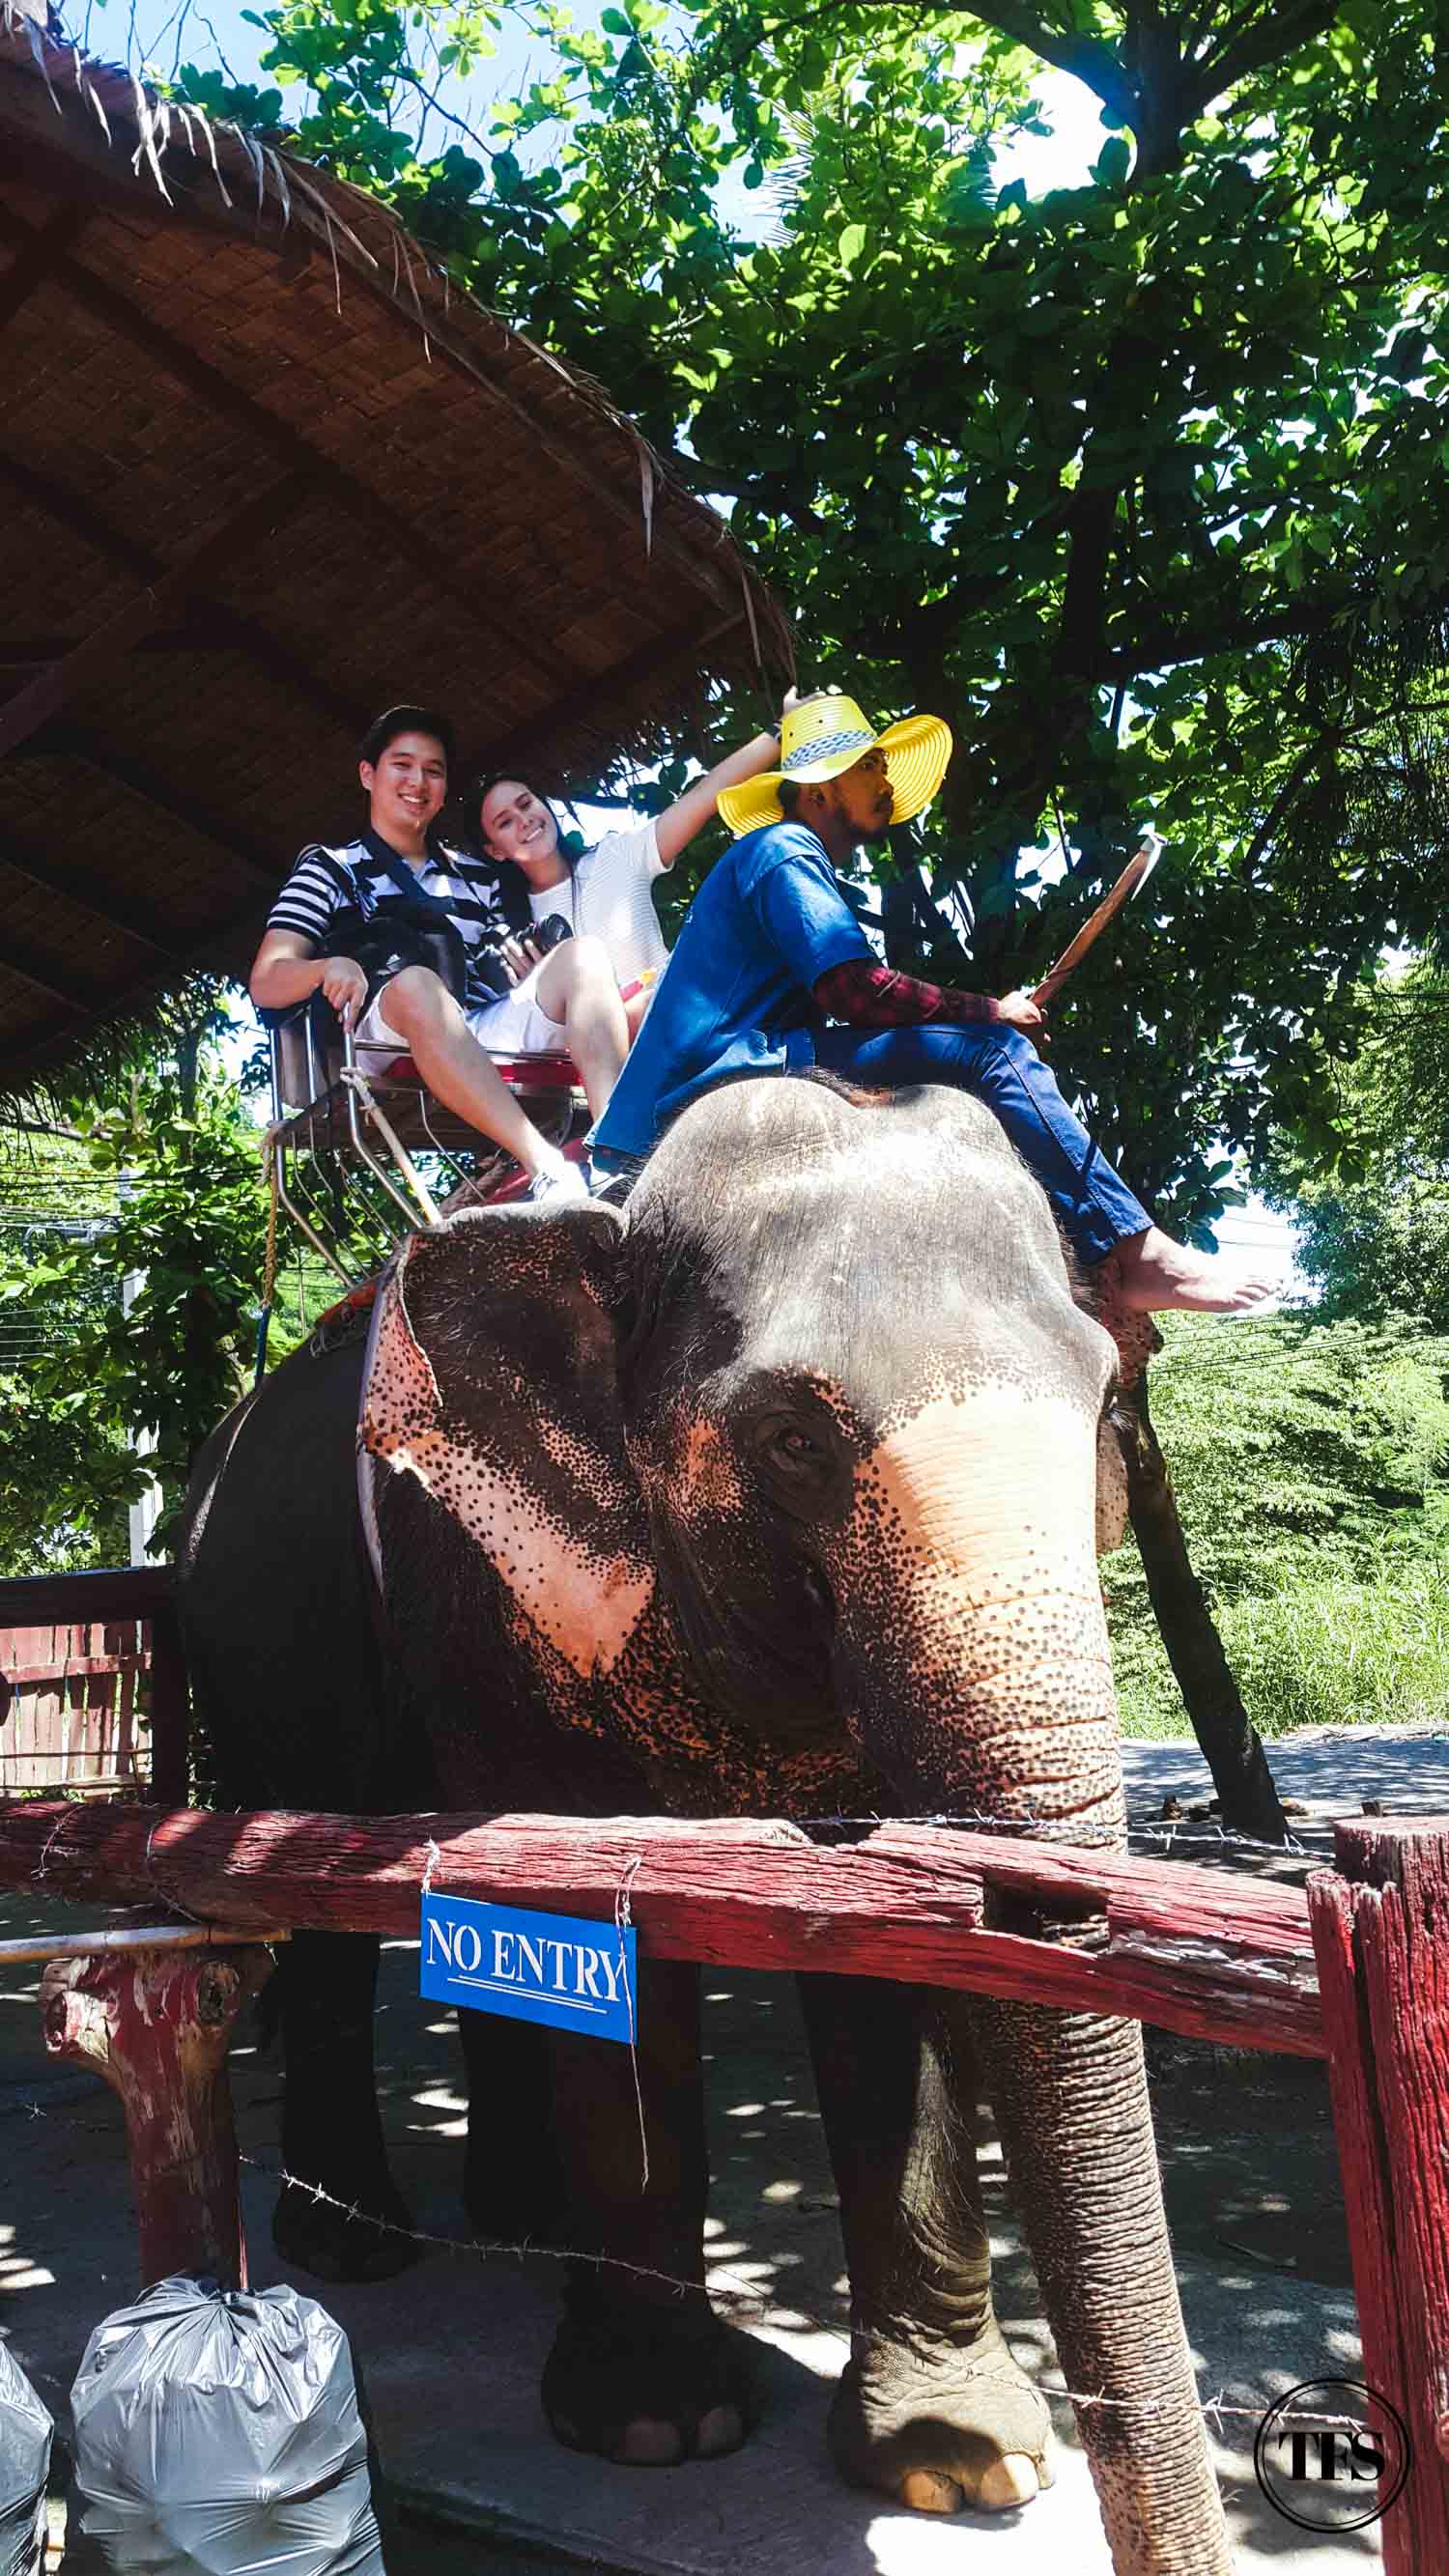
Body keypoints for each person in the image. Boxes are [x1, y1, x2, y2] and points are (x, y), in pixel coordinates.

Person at [592, 689, 1280, 1314]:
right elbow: (853, 991)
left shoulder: (782, 855)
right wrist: (992, 1012)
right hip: (721, 1076)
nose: (887, 782)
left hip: (729, 1073)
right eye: (871, 768)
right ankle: (1134, 1254)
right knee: (994, 1055)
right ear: (824, 787)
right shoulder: (784, 848)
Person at [250, 706, 630, 1205]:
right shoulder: (330, 870)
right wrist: (327, 967)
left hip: (470, 1027)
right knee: (418, 984)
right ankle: (546, 1166)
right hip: (379, 1036)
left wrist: (526, 966)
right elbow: (267, 978)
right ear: (368, 774)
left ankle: (615, 1152)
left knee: (583, 955)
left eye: (433, 770)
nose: (418, 781)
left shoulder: (477, 875)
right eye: (401, 766)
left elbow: (502, 970)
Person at [474, 710, 799, 1042]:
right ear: (494, 851)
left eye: (526, 804)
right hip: (599, 1074)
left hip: (680, 1032)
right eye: (505, 821)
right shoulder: (517, 933)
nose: (524, 819)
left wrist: (782, 729)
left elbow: (706, 795)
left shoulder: (617, 855)